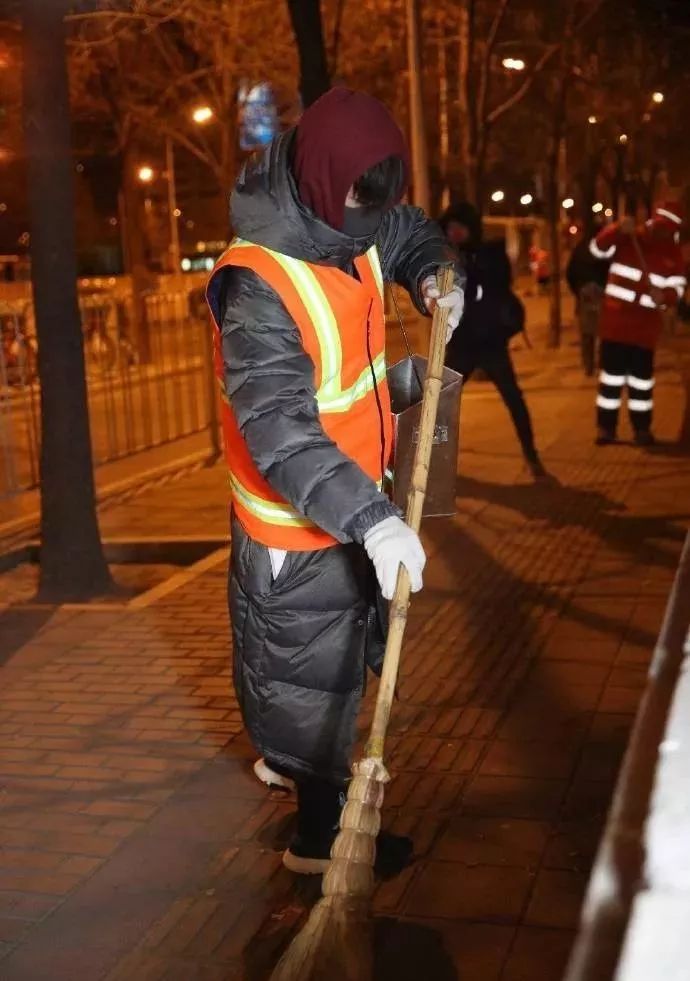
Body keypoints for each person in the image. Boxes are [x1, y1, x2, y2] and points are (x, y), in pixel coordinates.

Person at [206, 87, 464, 875]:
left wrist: (432, 277)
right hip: (297, 532)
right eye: (359, 199)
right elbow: (281, 428)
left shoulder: (347, 212)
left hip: (351, 505)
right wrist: (374, 518)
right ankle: (317, 842)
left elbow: (406, 229)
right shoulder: (256, 286)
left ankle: (308, 786)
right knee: (310, 692)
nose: (369, 217)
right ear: (320, 178)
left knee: (341, 671)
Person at [440, 202, 546, 479]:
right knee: (439, 402)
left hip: (489, 341)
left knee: (513, 398)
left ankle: (531, 455)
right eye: (449, 229)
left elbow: (490, 288)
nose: (454, 234)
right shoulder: (446, 257)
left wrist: (465, 269)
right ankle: (431, 461)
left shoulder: (490, 254)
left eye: (458, 228)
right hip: (462, 343)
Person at [590, 202, 687, 445]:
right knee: (610, 381)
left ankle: (642, 429)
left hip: (645, 329)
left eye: (668, 229)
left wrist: (664, 296)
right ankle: (606, 428)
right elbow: (597, 249)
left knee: (641, 385)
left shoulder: (673, 255)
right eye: (660, 227)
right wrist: (616, 229)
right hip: (616, 324)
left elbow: (677, 288)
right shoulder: (629, 238)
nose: (661, 233)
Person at [566, 226, 610, 376]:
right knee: (604, 330)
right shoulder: (606, 249)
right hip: (603, 291)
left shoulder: (579, 249)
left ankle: (588, 365)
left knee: (587, 331)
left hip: (584, 292)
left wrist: (577, 292)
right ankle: (604, 363)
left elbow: (570, 272)